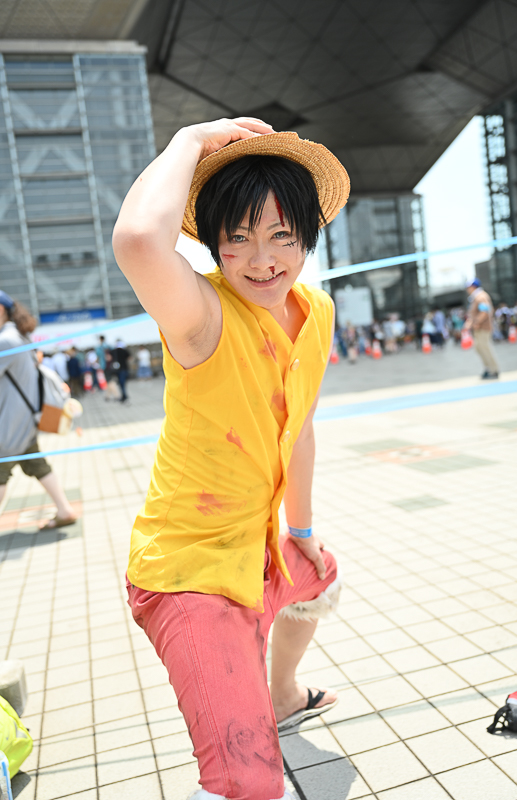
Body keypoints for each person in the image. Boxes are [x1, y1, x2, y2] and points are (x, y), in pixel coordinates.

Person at [112, 118, 348, 800]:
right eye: (238, 237)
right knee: (248, 783)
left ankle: (282, 694)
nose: (262, 259)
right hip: (190, 575)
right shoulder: (201, 315)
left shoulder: (315, 311)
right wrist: (189, 142)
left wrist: (300, 532)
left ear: (307, 236)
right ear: (213, 245)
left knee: (321, 576)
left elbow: (300, 429)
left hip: (254, 551)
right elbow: (137, 240)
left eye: (281, 235)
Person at [0, 291, 77, 528]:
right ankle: (65, 510)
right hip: (24, 418)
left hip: (9, 422)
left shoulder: (6, 341)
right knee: (36, 463)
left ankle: (65, 510)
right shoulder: (19, 336)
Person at [464, 277, 499, 379]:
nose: (467, 289)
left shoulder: (481, 296)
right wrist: (470, 323)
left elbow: (484, 311)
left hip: (483, 328)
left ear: (473, 287)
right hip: (478, 328)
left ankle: (494, 370)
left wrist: (476, 322)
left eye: (469, 287)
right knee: (479, 348)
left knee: (485, 348)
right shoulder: (475, 297)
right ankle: (488, 368)